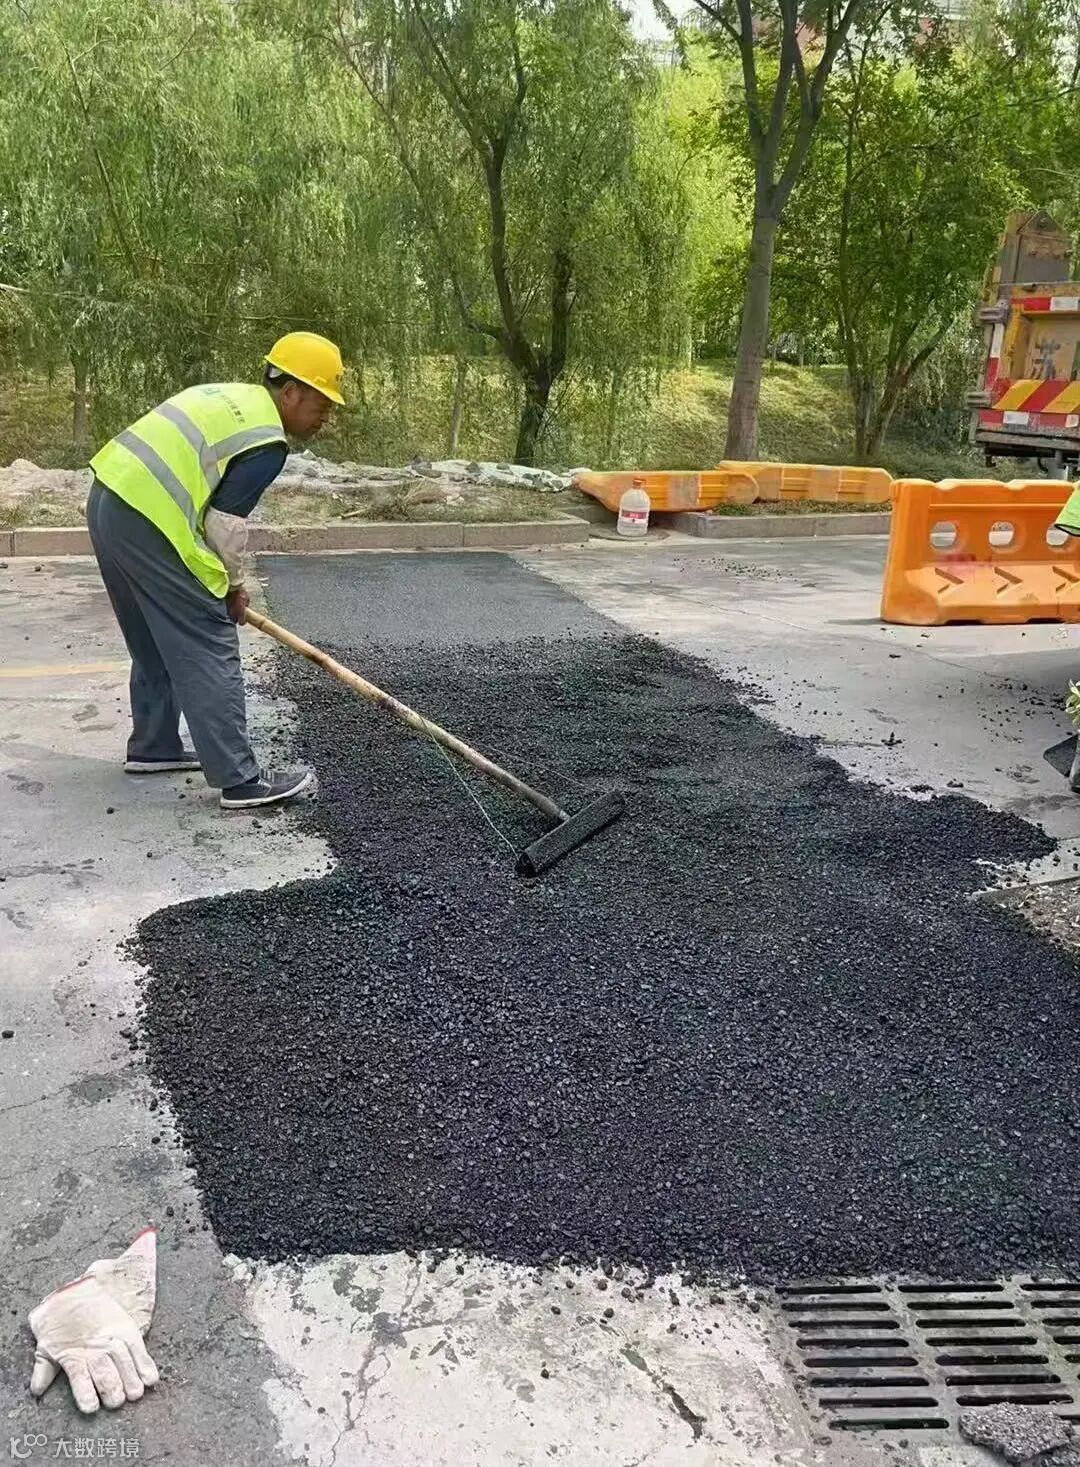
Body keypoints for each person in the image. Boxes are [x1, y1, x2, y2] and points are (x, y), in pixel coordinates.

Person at [86, 332, 345, 809]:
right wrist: (232, 587)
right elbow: (224, 524)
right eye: (322, 403)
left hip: (108, 498)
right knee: (208, 635)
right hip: (147, 516)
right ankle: (240, 779)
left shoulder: (233, 398)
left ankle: (155, 746)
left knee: (152, 636)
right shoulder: (267, 441)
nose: (326, 416)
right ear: (291, 393)